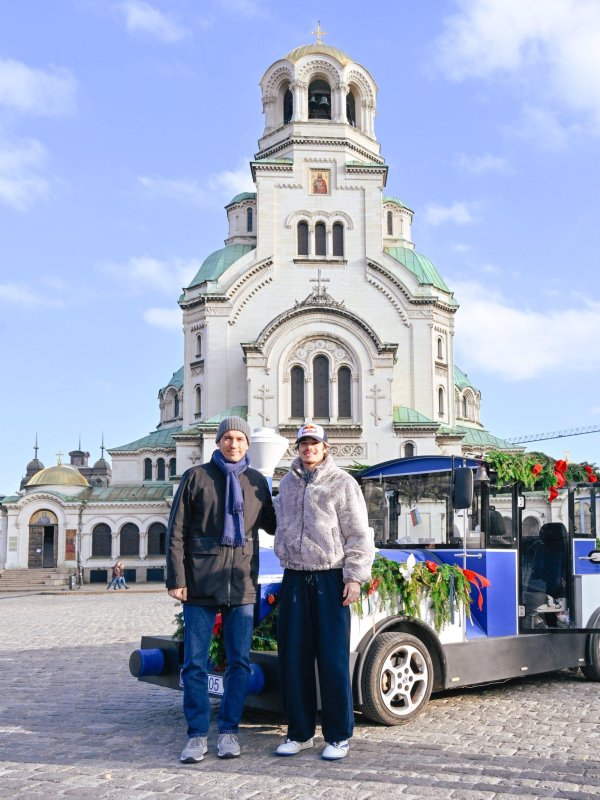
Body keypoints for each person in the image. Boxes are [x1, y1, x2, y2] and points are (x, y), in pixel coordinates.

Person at [166, 417, 276, 764]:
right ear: (218, 442)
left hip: (242, 582)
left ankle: (229, 730)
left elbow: (275, 524)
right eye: (227, 437)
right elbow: (176, 531)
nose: (233, 444)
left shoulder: (256, 482)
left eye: (240, 438)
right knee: (195, 663)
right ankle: (197, 734)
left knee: (239, 661)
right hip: (200, 581)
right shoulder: (196, 477)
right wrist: (177, 579)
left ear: (247, 444)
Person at [273, 422, 374, 761]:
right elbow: (278, 522)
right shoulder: (287, 483)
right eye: (304, 443)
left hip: (330, 576)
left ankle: (338, 735)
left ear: (326, 447)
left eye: (314, 443)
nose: (309, 448)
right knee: (294, 657)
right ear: (298, 447)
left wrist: (354, 576)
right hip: (295, 575)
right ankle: (300, 733)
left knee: (332, 659)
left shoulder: (343, 482)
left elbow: (358, 532)